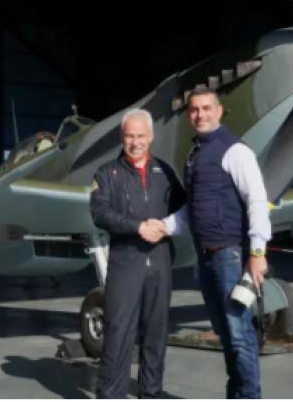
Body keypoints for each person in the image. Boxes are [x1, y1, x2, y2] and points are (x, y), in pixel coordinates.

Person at [162, 88, 271, 399]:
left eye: (207, 108)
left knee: (239, 336)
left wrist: (257, 253)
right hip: (206, 258)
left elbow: (257, 200)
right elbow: (194, 207)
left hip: (228, 256)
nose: (201, 114)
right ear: (189, 115)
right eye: (195, 110)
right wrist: (163, 226)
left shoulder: (234, 150)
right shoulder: (196, 153)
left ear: (220, 111)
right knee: (226, 335)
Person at [89, 108, 186, 399]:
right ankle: (110, 394)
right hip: (126, 261)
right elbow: (100, 213)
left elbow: (184, 209)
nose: (135, 142)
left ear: (151, 136)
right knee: (118, 331)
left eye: (140, 136)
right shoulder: (107, 173)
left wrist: (165, 227)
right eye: (129, 136)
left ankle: (151, 392)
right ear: (122, 137)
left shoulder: (165, 172)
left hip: (160, 260)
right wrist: (137, 227)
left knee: (156, 332)